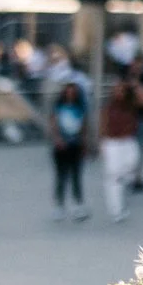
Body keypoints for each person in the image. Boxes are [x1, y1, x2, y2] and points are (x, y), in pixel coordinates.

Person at [98, 69, 143, 221]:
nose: (118, 92)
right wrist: (101, 142)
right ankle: (116, 210)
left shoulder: (131, 103)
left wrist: (134, 84)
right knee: (113, 177)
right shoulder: (109, 106)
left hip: (128, 141)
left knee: (132, 164)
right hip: (112, 142)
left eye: (121, 89)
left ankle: (123, 184)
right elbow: (103, 124)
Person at [48, 81, 90, 221]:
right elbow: (53, 124)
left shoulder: (80, 108)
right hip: (61, 146)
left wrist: (84, 144)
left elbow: (84, 127)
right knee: (61, 176)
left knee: (76, 176)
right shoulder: (58, 107)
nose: (70, 94)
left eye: (73, 92)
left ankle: (78, 205)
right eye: (68, 92)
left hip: (75, 145)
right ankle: (59, 206)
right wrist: (58, 139)